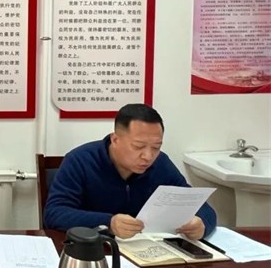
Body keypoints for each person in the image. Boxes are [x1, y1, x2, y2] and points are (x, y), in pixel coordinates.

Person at [43, 103, 216, 240]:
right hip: (95, 251)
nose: (148, 156)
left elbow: (198, 204)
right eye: (138, 146)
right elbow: (54, 213)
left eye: (156, 147)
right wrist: (109, 223)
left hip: (147, 251)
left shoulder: (161, 163)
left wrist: (201, 224)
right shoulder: (80, 160)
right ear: (115, 140)